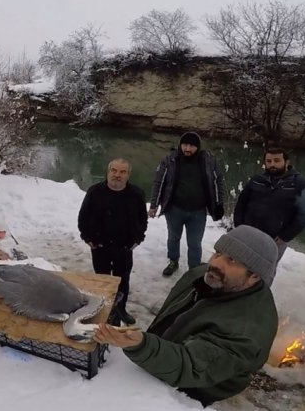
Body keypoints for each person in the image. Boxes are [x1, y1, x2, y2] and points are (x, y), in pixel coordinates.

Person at [95, 225, 279, 407]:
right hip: (160, 359)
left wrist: (142, 345)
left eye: (231, 260)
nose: (215, 263)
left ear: (254, 276)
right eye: (217, 253)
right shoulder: (203, 274)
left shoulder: (246, 330)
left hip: (189, 390)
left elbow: (191, 366)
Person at [78, 159, 148, 325]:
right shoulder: (95, 192)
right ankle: (103, 311)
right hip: (99, 246)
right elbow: (83, 217)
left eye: (122, 172)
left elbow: (142, 220)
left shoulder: (136, 194)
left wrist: (138, 239)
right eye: (114, 171)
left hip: (123, 247)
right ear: (108, 172)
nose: (117, 175)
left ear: (128, 175)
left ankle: (120, 311)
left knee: (122, 281)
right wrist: (87, 237)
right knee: (102, 281)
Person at [148, 132, 225, 277]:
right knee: (173, 238)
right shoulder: (170, 159)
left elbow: (217, 182)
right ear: (180, 145)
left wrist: (218, 204)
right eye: (185, 145)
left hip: (198, 211)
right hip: (174, 209)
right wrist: (154, 205)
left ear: (198, 147)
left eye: (192, 146)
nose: (187, 149)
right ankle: (173, 261)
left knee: (195, 243)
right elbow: (159, 182)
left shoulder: (208, 161)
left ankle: (193, 270)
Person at [233, 147, 305, 261]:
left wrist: (286, 236)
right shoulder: (257, 179)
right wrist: (239, 225)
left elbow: (304, 215)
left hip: (275, 239)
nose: (272, 164)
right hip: (248, 233)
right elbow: (241, 204)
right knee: (241, 264)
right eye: (269, 161)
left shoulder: (301, 184)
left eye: (277, 160)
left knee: (265, 269)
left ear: (286, 162)